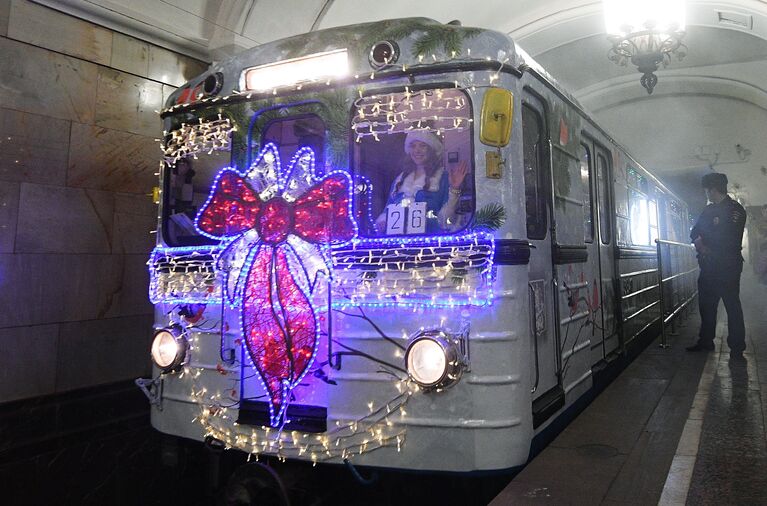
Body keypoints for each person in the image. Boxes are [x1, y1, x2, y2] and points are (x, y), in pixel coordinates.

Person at [686, 172, 747, 358]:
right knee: (706, 305)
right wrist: (699, 241)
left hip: (727, 267)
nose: (706, 194)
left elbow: (729, 239)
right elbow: (695, 230)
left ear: (713, 189)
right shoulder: (708, 210)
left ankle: (737, 347)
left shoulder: (735, 210)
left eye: (707, 190)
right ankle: (706, 341)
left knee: (732, 305)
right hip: (708, 266)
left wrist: (705, 244)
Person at [374, 130, 468, 234]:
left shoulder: (442, 177)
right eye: (413, 146)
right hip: (398, 241)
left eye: (423, 146)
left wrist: (455, 189)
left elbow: (446, 219)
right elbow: (388, 210)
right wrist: (382, 222)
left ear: (431, 150)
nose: (417, 151)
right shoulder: (400, 179)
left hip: (429, 242)